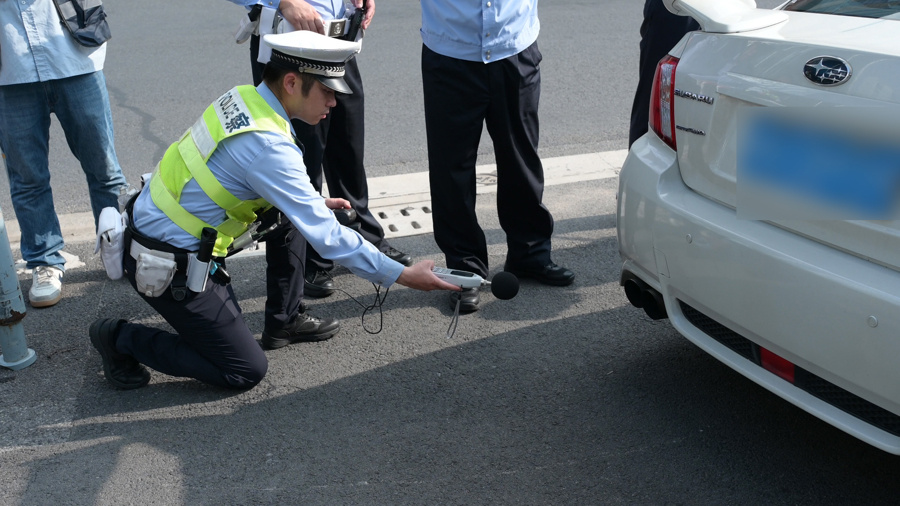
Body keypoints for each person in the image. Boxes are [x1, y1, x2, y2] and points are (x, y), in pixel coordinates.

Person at [89, 31, 459, 390]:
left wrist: (307, 202)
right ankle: (120, 338)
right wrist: (403, 275)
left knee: (295, 214)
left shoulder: (244, 98)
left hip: (159, 226)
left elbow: (238, 175)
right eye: (328, 92)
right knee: (243, 369)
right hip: (166, 263)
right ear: (293, 83)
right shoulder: (268, 146)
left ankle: (284, 319)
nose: (334, 103)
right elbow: (328, 238)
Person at [231, 0, 411, 302]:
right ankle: (310, 260)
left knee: (348, 149)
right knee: (300, 162)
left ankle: (363, 235)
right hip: (290, 45)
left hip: (339, 42)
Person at [419, 0, 575, 314]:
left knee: (521, 157)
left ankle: (530, 252)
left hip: (514, 44)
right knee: (452, 167)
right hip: (451, 48)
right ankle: (465, 269)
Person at [0, 0, 127, 308]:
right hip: (9, 68)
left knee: (104, 168)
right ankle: (44, 261)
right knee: (27, 178)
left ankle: (122, 246)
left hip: (73, 55)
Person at [628, 0, 699, 147]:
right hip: (677, 7)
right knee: (657, 91)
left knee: (705, 95)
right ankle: (644, 164)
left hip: (725, 9)